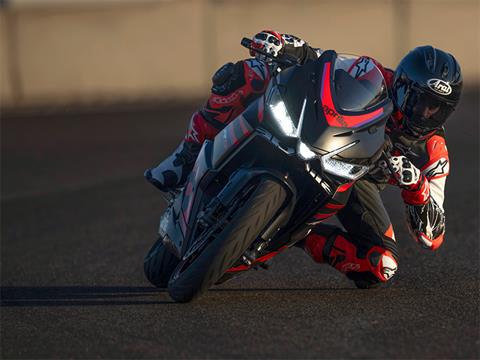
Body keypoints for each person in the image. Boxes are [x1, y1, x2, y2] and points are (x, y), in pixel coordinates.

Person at [144, 32, 463, 289]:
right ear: (402, 83)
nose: (424, 112)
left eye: (436, 107)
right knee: (248, 73)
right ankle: (184, 158)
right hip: (320, 135)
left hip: (354, 180)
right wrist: (287, 45)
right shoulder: (372, 72)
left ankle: (299, 235)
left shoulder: (433, 151)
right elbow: (325, 61)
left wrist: (416, 185)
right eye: (418, 99)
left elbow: (432, 237)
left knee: (381, 265)